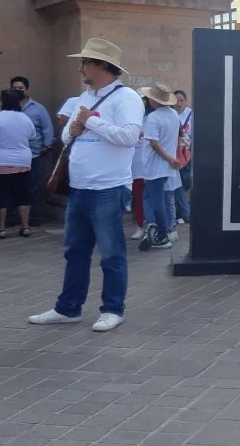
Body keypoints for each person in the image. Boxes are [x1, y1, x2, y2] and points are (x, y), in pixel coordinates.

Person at [28, 38, 144, 332]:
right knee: (75, 250)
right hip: (79, 187)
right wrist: (77, 125)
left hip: (108, 187)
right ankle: (68, 308)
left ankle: (113, 308)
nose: (81, 67)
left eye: (86, 62)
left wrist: (91, 123)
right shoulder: (84, 97)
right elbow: (67, 136)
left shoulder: (126, 98)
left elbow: (130, 137)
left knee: (111, 252)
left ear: (104, 66)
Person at [0, 76, 55, 223]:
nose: (17, 91)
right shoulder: (12, 114)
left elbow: (47, 128)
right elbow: (31, 134)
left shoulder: (37, 109)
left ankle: (26, 218)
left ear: (27, 89)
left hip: (34, 155)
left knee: (30, 188)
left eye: (20, 88)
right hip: (23, 156)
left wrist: (47, 146)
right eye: (14, 88)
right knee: (14, 190)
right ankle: (17, 221)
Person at [0, 89, 38, 239]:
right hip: (23, 161)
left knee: (2, 195)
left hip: (1, 161)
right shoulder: (25, 118)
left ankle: (1, 228)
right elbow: (32, 136)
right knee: (23, 194)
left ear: (2, 102)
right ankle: (26, 227)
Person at [137, 83, 184, 251]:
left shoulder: (154, 117)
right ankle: (155, 229)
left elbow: (154, 144)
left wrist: (169, 159)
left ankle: (162, 234)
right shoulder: (173, 115)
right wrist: (171, 159)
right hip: (165, 166)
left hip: (155, 165)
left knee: (155, 200)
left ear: (153, 100)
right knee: (151, 197)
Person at [172, 89, 192, 224]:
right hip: (173, 154)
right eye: (176, 101)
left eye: (181, 100)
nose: (179, 103)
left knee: (187, 181)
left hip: (187, 155)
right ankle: (185, 212)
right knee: (177, 183)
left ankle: (181, 211)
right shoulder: (171, 114)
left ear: (186, 101)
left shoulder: (191, 115)